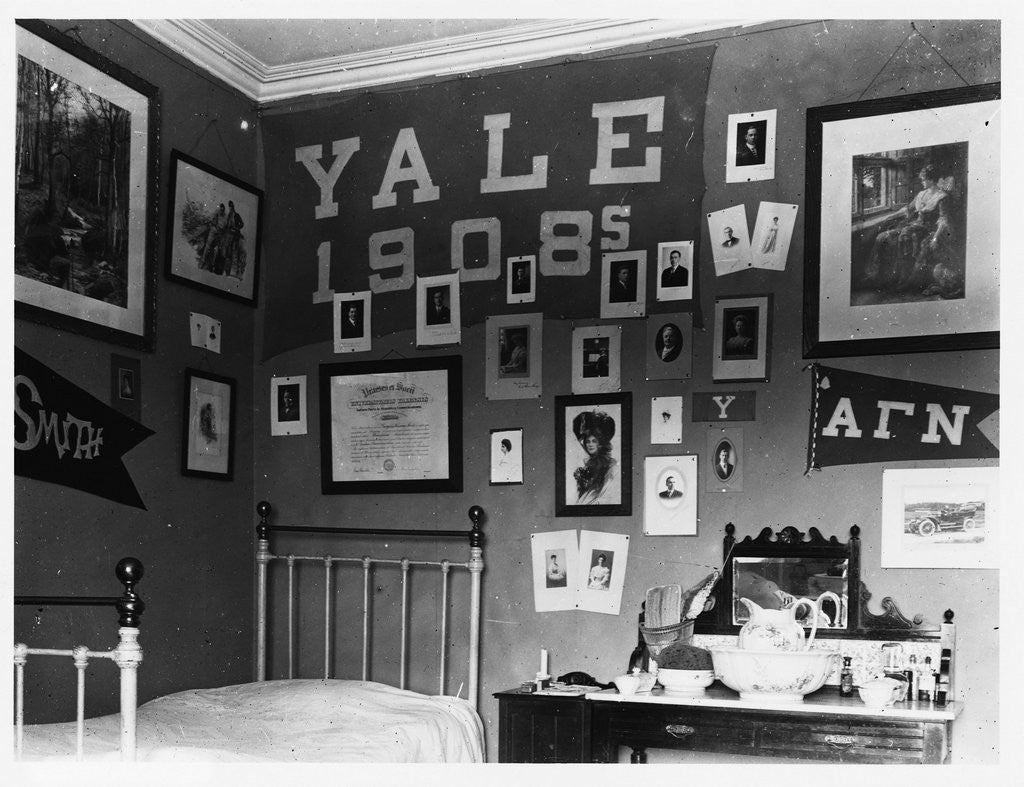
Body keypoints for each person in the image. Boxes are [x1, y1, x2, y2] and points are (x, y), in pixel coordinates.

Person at [866, 163, 961, 298]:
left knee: (907, 237)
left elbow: (943, 219)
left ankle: (905, 280)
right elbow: (908, 209)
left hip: (928, 229)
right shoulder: (921, 194)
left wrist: (935, 238)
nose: (922, 182)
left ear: (931, 180)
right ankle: (876, 275)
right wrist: (891, 216)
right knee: (883, 236)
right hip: (913, 225)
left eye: (923, 179)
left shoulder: (941, 196)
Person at [572, 410, 617, 505]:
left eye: (594, 441)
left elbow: (606, 494)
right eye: (588, 441)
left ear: (600, 443)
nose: (590, 444)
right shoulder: (589, 465)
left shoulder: (611, 465)